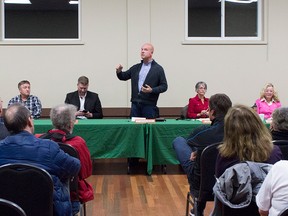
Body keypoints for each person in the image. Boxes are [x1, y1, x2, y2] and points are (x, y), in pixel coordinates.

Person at [0, 103, 80, 216]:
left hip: (7, 210)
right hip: (47, 210)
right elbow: (75, 167)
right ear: (29, 121)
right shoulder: (48, 147)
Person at [172, 93, 232, 216]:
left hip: (201, 183)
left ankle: (198, 208)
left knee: (178, 141)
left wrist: (198, 151)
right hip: (231, 183)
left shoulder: (203, 132)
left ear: (213, 112)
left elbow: (189, 141)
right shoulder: (239, 133)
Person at [36, 103, 94, 215]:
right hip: (71, 198)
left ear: (52, 120)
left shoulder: (38, 139)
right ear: (71, 123)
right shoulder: (78, 143)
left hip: (41, 195)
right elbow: (85, 172)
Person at [116, 43, 168, 119]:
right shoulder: (136, 67)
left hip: (149, 105)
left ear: (151, 53)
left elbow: (164, 86)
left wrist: (152, 90)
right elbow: (123, 77)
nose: (142, 51)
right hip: (135, 105)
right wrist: (119, 71)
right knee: (134, 129)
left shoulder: (158, 69)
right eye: (142, 49)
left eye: (145, 50)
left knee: (148, 128)